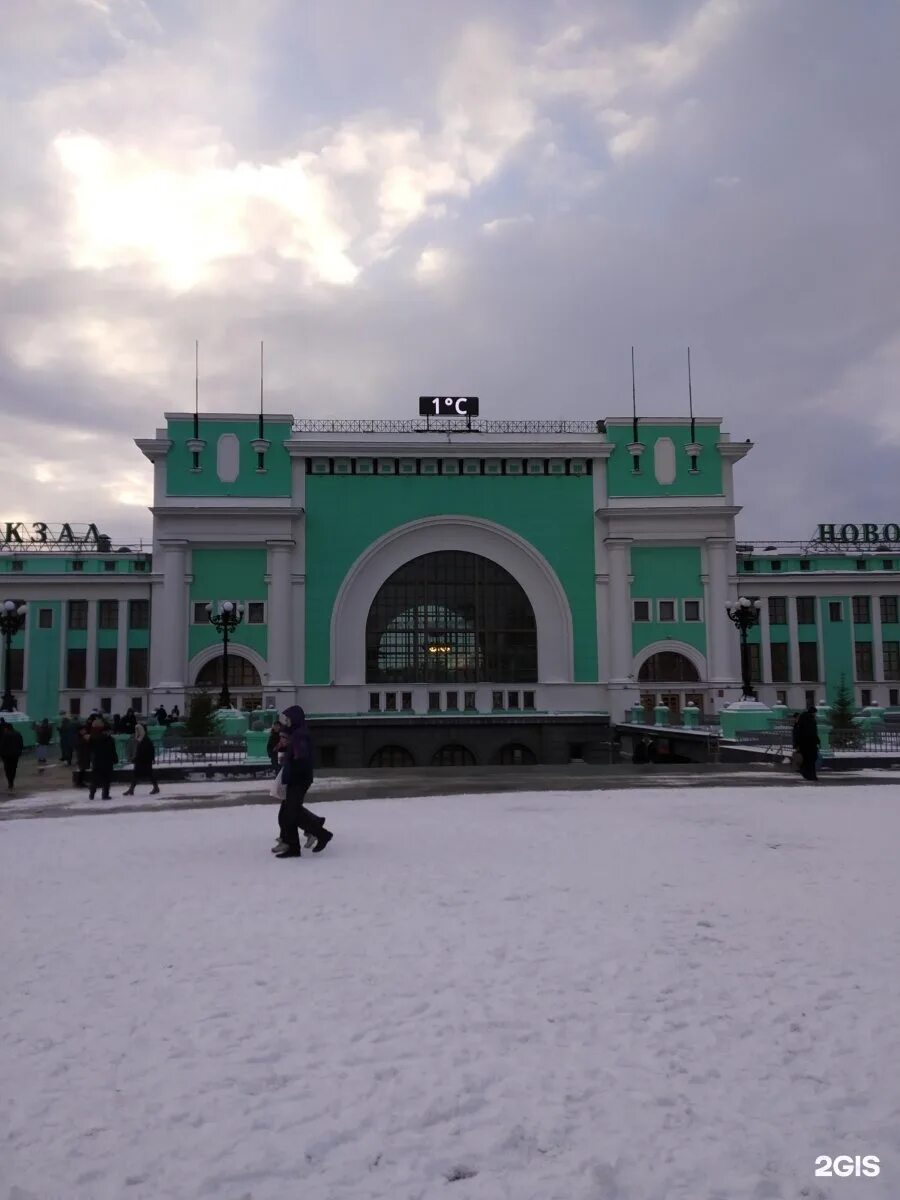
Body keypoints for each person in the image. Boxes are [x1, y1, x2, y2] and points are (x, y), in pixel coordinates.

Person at [272, 704, 332, 858]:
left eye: (289, 718)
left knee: (291, 812)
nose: (287, 721)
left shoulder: (300, 735)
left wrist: (290, 756)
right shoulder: (296, 733)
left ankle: (321, 834)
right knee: (288, 812)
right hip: (295, 778)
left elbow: (301, 757)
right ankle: (294, 846)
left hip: (298, 779)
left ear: (295, 718)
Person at [123, 724, 159, 796]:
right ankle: (131, 789)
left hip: (144, 760)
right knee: (138, 775)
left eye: (138, 730)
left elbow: (148, 750)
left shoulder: (145, 739)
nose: (136, 732)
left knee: (147, 774)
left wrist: (138, 758)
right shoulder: (141, 739)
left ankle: (155, 787)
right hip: (141, 760)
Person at [88, 723, 118, 800]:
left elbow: (91, 749)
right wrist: (115, 759)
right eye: (109, 731)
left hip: (98, 762)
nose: (110, 732)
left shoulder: (96, 738)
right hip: (106, 762)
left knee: (96, 780)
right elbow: (112, 751)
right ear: (106, 731)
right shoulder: (109, 740)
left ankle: (92, 794)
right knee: (106, 780)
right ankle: (105, 795)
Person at [793, 704, 821, 781]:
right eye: (815, 713)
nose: (815, 714)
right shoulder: (810, 720)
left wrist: (797, 744)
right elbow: (812, 732)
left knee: (808, 760)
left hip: (804, 744)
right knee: (811, 760)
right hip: (809, 744)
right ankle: (810, 775)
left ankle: (809, 775)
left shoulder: (803, 719)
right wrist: (817, 741)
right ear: (812, 712)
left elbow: (798, 732)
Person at [0, 719, 24, 791]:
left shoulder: (5, 735)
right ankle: (12, 780)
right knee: (14, 768)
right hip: (15, 755)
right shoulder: (18, 733)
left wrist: (1, 754)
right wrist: (19, 752)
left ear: (6, 728)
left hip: (7, 755)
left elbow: (2, 745)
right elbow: (21, 744)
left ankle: (10, 781)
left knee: (7, 768)